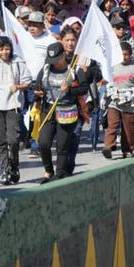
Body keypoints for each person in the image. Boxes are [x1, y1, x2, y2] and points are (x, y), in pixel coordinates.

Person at [34, 42, 88, 183]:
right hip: (49, 109)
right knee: (43, 142)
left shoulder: (74, 69)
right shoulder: (46, 68)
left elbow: (84, 89)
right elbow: (38, 85)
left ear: (63, 55)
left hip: (67, 111)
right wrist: (38, 92)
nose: (54, 64)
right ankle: (48, 169)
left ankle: (60, 173)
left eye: (57, 60)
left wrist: (70, 89)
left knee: (62, 146)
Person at [0, 36, 30, 185]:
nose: (5, 52)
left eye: (7, 49)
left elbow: (28, 80)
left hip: (13, 104)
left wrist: (18, 86)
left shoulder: (18, 61)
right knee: (0, 139)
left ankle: (14, 165)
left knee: (13, 139)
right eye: (1, 49)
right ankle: (4, 170)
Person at [102, 42, 134, 159]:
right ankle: (108, 146)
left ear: (131, 55)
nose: (123, 57)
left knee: (128, 127)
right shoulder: (112, 65)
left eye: (126, 55)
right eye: (121, 54)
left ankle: (127, 149)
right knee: (112, 123)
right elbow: (105, 79)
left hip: (130, 101)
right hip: (114, 100)